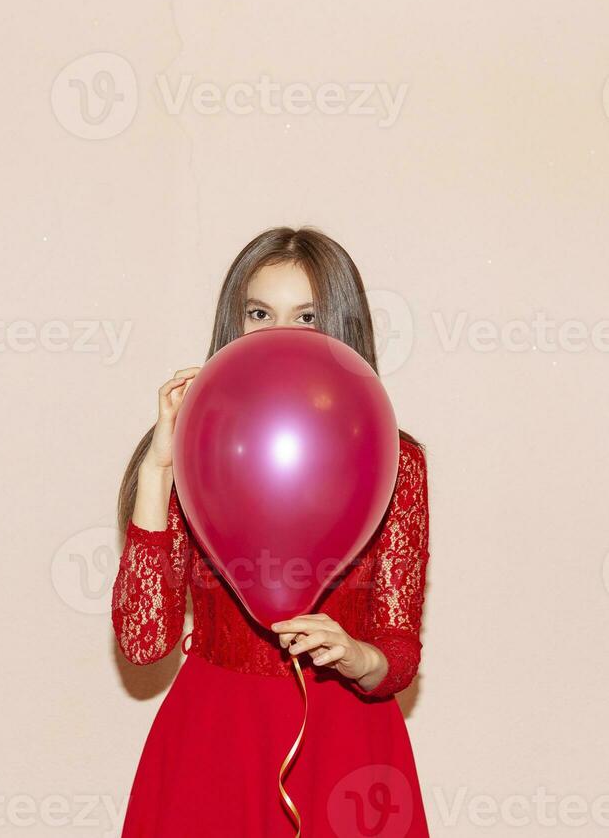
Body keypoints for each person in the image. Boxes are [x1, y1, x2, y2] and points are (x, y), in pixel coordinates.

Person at [111, 225, 432, 837]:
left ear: (340, 326)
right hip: (214, 738)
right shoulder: (194, 448)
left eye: (307, 315)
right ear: (234, 322)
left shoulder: (396, 458)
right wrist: (159, 466)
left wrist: (357, 655)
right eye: (260, 312)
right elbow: (143, 642)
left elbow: (399, 652)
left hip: (347, 744)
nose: (281, 333)